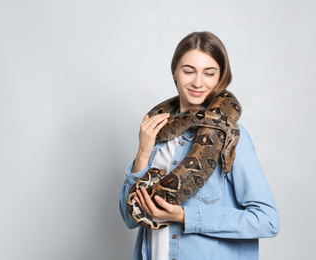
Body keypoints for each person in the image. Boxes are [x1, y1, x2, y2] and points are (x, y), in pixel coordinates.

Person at [119, 31, 279, 260]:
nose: (197, 82)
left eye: (209, 73)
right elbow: (129, 218)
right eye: (188, 70)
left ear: (220, 78)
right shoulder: (153, 135)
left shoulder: (231, 136)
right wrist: (143, 150)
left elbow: (268, 221)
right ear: (175, 72)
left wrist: (185, 216)